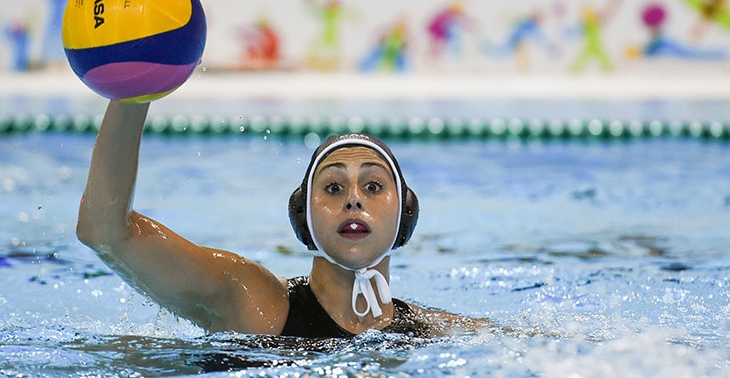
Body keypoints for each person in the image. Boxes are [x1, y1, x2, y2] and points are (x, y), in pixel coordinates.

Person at [77, 100, 487, 339]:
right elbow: (105, 230)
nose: (354, 201)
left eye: (375, 187)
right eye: (332, 188)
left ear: (405, 213)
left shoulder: (431, 332)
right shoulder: (255, 301)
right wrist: (132, 94)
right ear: (303, 214)